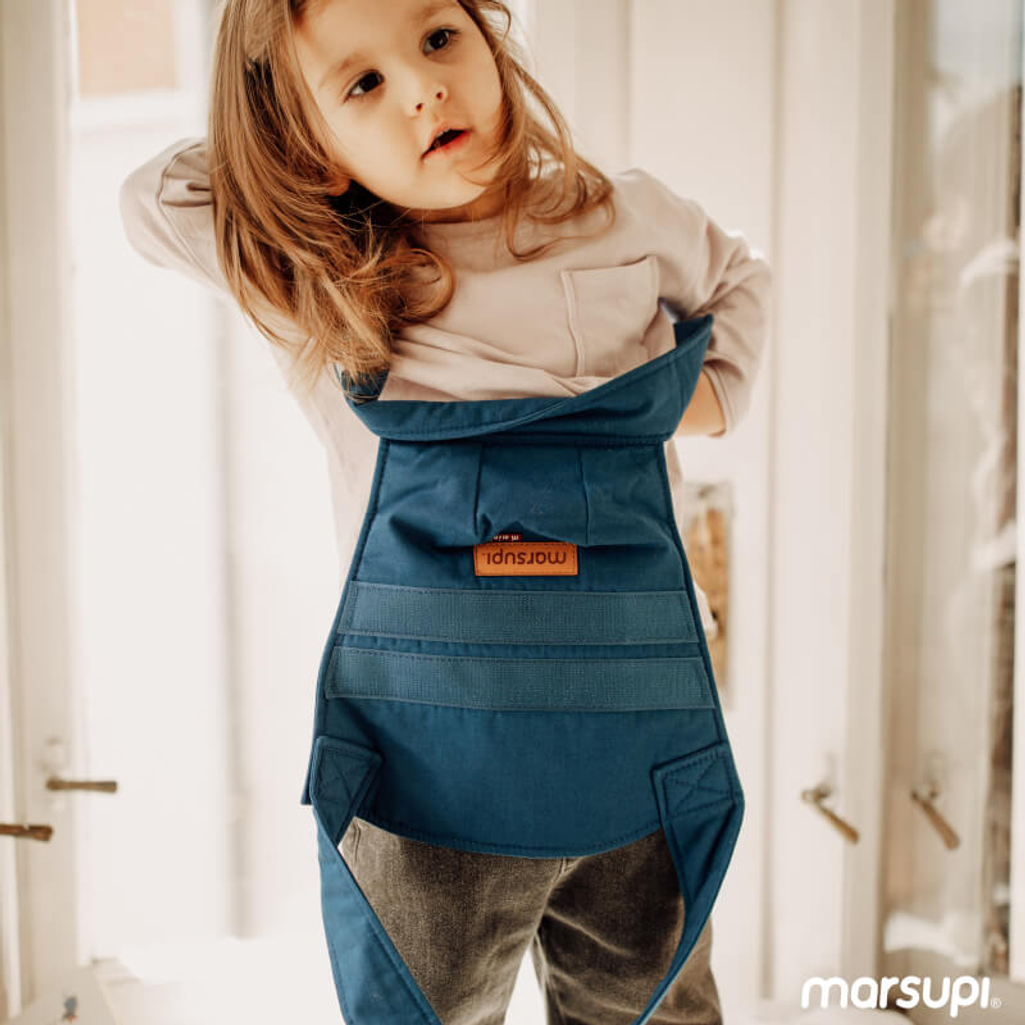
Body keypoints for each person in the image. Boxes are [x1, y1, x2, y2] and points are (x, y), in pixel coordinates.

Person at [118, 1, 772, 1022]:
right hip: (427, 783)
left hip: (636, 754)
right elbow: (152, 197)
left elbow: (737, 278)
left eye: (437, 39)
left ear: (490, 38)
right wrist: (292, 147)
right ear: (308, 147)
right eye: (362, 85)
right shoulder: (322, 283)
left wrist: (694, 401)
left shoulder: (627, 217)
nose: (423, 88)